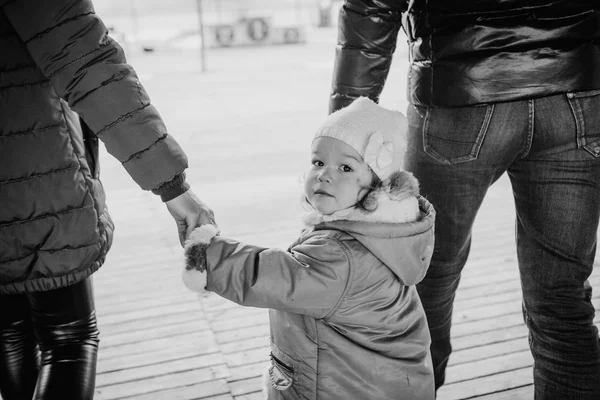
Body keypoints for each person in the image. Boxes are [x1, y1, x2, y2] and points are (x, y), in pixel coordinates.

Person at [328, 1, 600, 398]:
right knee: (562, 298)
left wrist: (345, 128)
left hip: (460, 90)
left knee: (423, 277)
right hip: (578, 91)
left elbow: (373, 5)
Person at [0, 0, 214, 398]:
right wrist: (172, 187)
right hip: (31, 176)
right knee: (67, 340)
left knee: (10, 332)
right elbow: (86, 63)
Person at [183, 97, 436, 399]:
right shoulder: (380, 235)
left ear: (378, 184)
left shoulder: (344, 254)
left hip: (342, 388)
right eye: (318, 162)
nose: (324, 175)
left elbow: (278, 277)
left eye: (345, 167)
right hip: (370, 378)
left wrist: (207, 254)